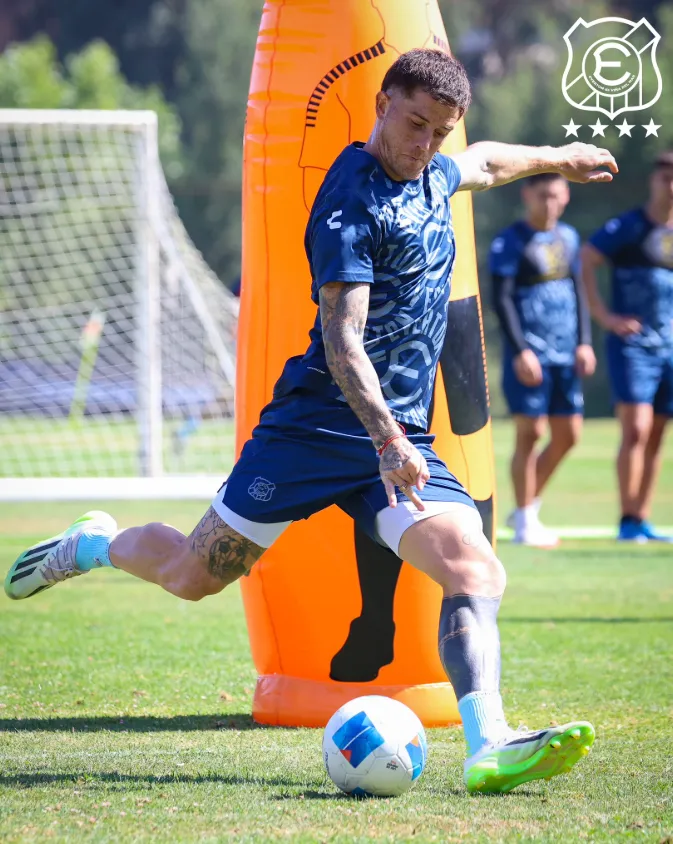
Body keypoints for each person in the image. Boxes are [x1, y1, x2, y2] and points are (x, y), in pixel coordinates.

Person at [5, 49, 616, 793]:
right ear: (381, 105)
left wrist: (560, 155)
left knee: (475, 566)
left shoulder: (433, 168)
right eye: (414, 123)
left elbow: (482, 163)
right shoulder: (349, 203)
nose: (423, 143)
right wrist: (389, 439)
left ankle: (489, 743)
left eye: (439, 130)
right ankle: (94, 543)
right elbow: (342, 340)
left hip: (397, 441)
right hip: (314, 430)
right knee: (191, 576)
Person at [490, 173, 595, 546]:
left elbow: (578, 289)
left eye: (555, 195)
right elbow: (501, 299)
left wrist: (585, 342)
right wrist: (520, 351)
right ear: (527, 196)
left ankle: (525, 507)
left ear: (565, 195)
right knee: (531, 432)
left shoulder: (568, 237)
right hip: (531, 355)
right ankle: (525, 522)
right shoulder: (510, 241)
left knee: (569, 435)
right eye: (542, 196)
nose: (549, 203)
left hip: (566, 352)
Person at [582, 152, 673, 543]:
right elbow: (585, 258)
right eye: (666, 178)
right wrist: (604, 316)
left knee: (656, 434)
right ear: (654, 181)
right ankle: (625, 519)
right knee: (635, 428)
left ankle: (641, 518)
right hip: (634, 347)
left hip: (669, 347)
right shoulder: (630, 226)